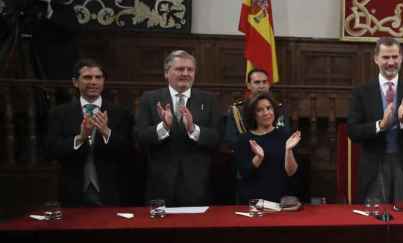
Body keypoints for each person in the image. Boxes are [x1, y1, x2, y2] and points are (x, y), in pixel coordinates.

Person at [347, 36, 403, 203]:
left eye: (394, 57)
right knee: (374, 223)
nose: (391, 62)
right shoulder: (362, 92)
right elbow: (353, 131)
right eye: (386, 57)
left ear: (401, 58)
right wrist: (380, 125)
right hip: (374, 169)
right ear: (376, 59)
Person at [134, 50, 221, 206]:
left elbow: (216, 138)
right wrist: (164, 127)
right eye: (180, 69)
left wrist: (193, 129)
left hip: (197, 185)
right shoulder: (150, 99)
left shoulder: (209, 100)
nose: (186, 73)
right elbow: (140, 138)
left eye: (190, 69)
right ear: (167, 73)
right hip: (160, 183)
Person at [45, 58, 132, 206]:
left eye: (98, 77)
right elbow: (51, 150)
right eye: (87, 77)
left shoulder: (120, 113)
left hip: (111, 190)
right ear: (75, 82)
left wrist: (106, 132)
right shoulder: (59, 113)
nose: (93, 82)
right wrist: (80, 138)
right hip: (73, 190)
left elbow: (129, 151)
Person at [234, 94, 300, 203]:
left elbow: (291, 172)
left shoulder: (285, 136)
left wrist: (288, 150)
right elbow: (245, 174)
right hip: (253, 201)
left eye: (269, 108)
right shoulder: (244, 139)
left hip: (280, 200)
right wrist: (259, 157)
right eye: (260, 110)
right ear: (253, 114)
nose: (266, 113)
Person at [223, 68, 290, 150]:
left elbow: (286, 135)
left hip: (275, 152)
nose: (261, 86)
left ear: (269, 84)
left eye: (264, 82)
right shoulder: (237, 111)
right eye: (257, 82)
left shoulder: (279, 108)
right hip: (247, 154)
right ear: (249, 85)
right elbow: (231, 139)